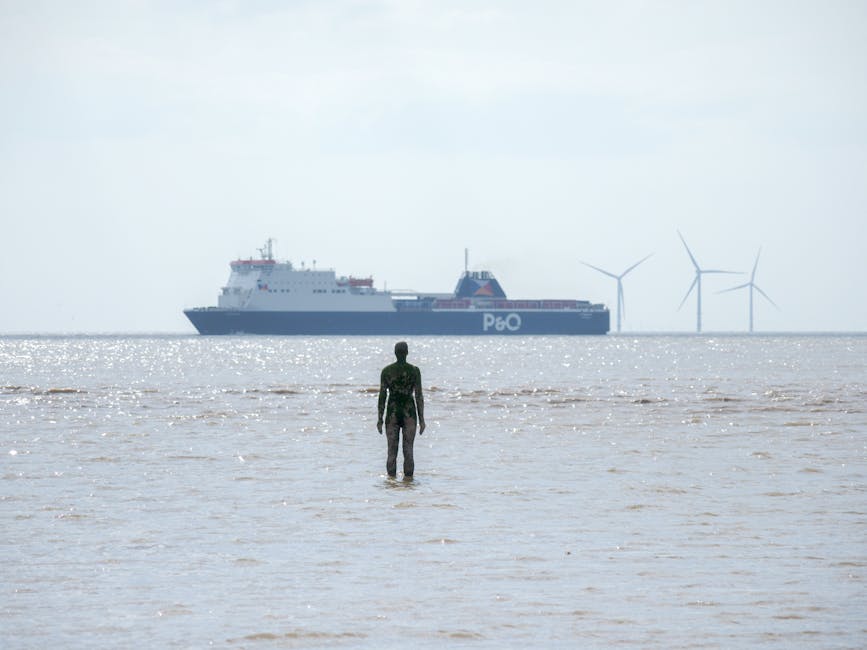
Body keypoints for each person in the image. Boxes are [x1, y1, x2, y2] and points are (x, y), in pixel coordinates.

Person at [377, 341, 425, 478]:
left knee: (391, 451)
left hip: (392, 413)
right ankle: (408, 483)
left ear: (395, 353)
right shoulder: (414, 371)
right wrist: (422, 420)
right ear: (407, 352)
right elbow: (419, 396)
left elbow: (382, 396)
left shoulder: (386, 371)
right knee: (408, 450)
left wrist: (380, 419)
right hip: (409, 413)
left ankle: (391, 482)